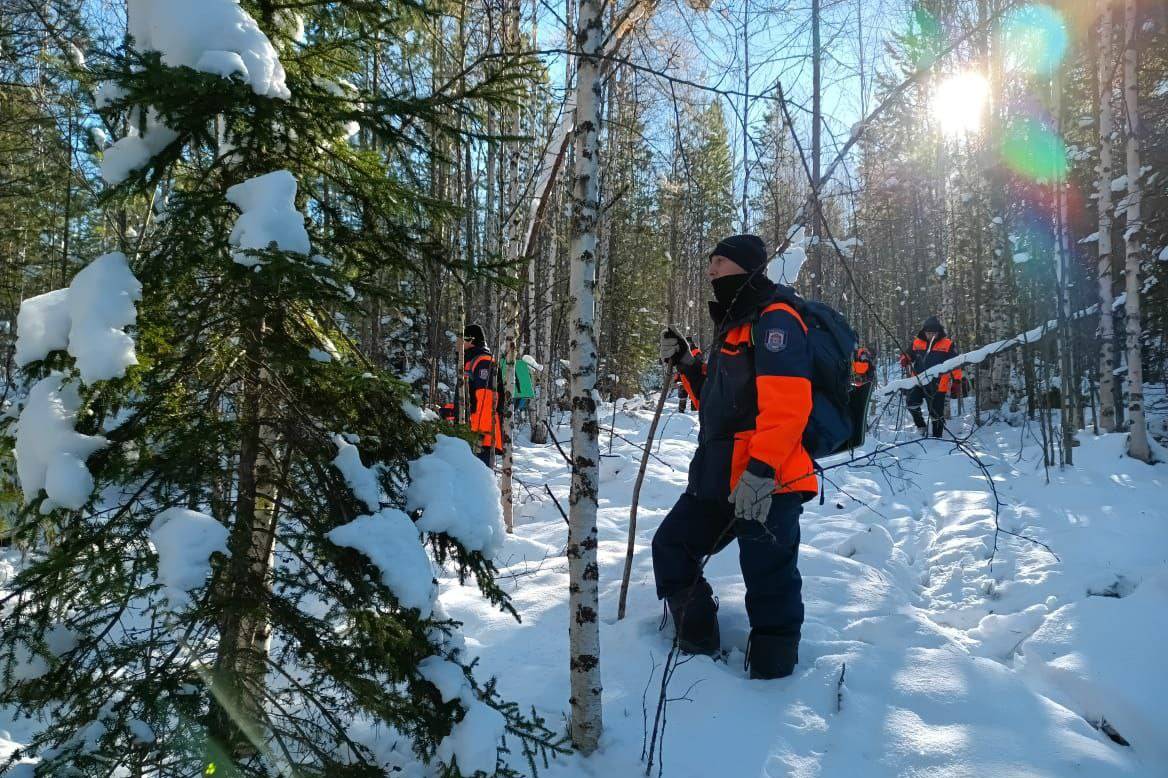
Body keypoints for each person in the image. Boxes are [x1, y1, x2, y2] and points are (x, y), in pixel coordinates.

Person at [654, 234, 816, 680]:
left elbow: (788, 407)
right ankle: (697, 647)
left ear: (745, 266)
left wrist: (762, 471)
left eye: (720, 262)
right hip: (720, 474)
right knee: (671, 545)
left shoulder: (775, 319)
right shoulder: (736, 323)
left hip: (770, 478)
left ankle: (773, 678)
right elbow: (722, 402)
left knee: (769, 579)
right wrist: (688, 364)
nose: (711, 270)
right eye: (710, 262)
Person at [905, 315, 961, 438]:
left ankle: (937, 438)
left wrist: (957, 381)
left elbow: (955, 364)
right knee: (911, 403)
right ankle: (921, 426)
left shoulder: (947, 344)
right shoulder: (917, 342)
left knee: (936, 413)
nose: (931, 336)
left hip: (939, 384)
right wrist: (905, 359)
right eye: (928, 333)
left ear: (938, 332)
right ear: (924, 332)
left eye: (933, 333)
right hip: (918, 381)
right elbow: (908, 355)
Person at [460, 324, 503, 467]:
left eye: (462, 339)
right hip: (472, 432)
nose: (459, 343)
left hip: (481, 438)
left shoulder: (483, 361)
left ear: (471, 340)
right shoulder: (472, 360)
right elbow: (467, 399)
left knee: (480, 477)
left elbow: (486, 400)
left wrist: (480, 434)